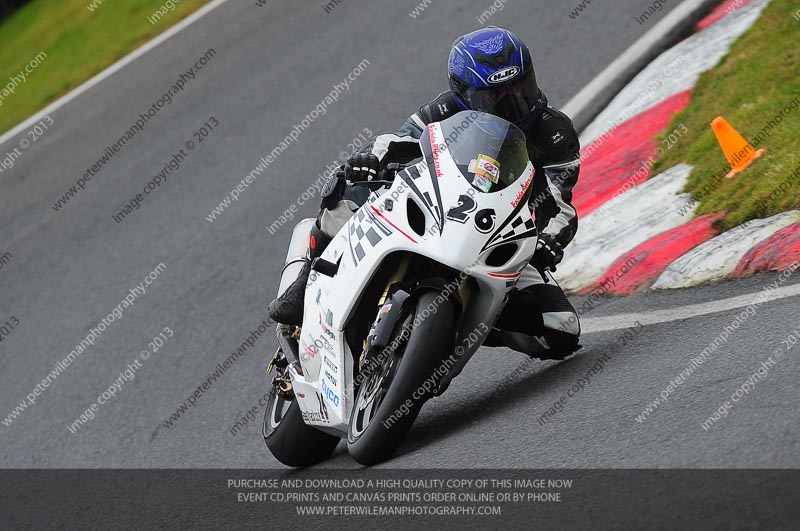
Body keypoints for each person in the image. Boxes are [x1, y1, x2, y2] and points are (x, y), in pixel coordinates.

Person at [268, 27, 581, 360]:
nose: (513, 101)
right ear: (465, 93)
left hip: (502, 236)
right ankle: (304, 281)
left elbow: (560, 204)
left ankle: (475, 324)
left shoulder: (554, 132)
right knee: (351, 189)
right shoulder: (446, 110)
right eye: (496, 95)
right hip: (437, 213)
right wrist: (372, 159)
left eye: (519, 86)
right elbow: (400, 142)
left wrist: (547, 240)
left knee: (561, 328)